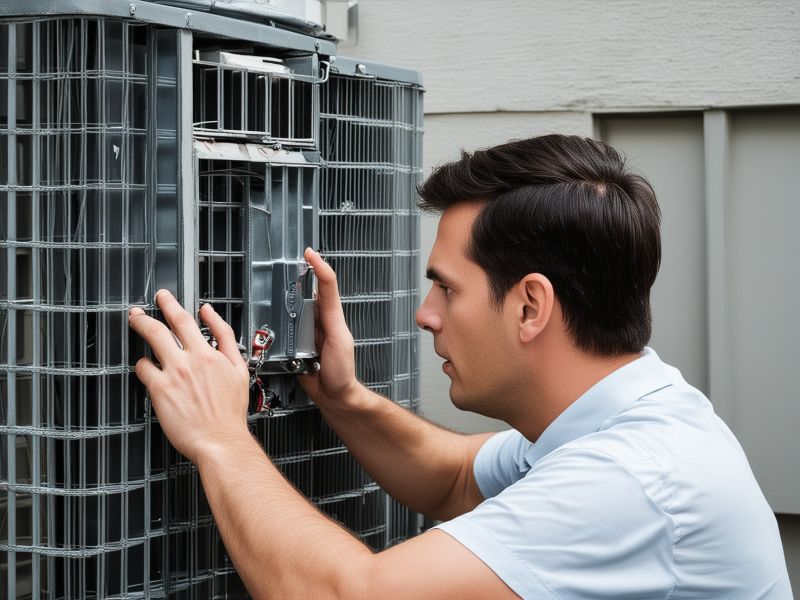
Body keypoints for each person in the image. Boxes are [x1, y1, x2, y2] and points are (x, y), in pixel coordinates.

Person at [129, 134, 792, 599]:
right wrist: (342, 398)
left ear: (530, 306)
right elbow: (451, 481)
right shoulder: (626, 415)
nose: (425, 315)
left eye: (447, 288)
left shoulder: (632, 482)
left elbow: (348, 597)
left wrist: (219, 437)